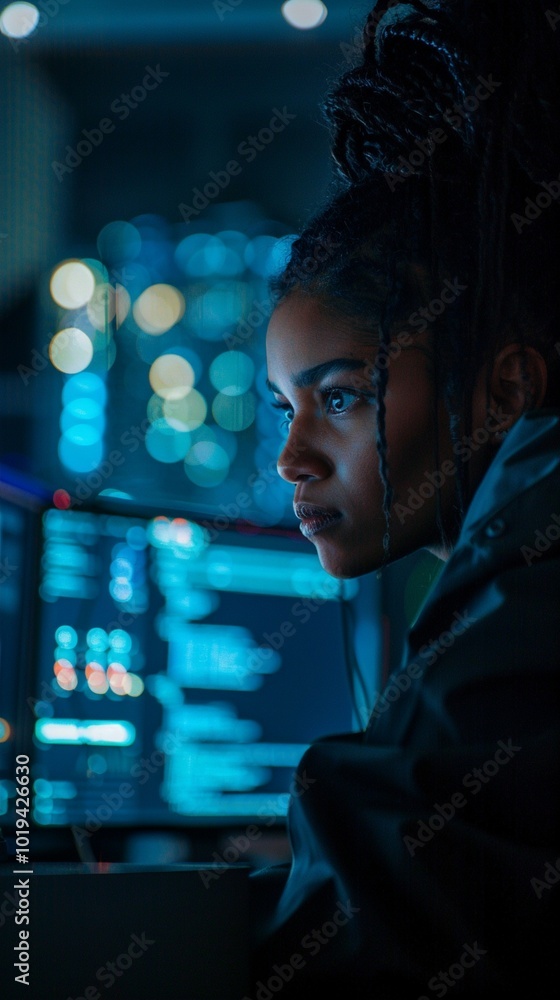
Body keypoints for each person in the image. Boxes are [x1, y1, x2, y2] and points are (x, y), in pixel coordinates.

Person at [247, 1, 560, 996]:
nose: (293, 457)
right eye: (282, 407)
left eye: (339, 397)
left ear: (505, 388)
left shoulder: (496, 672)